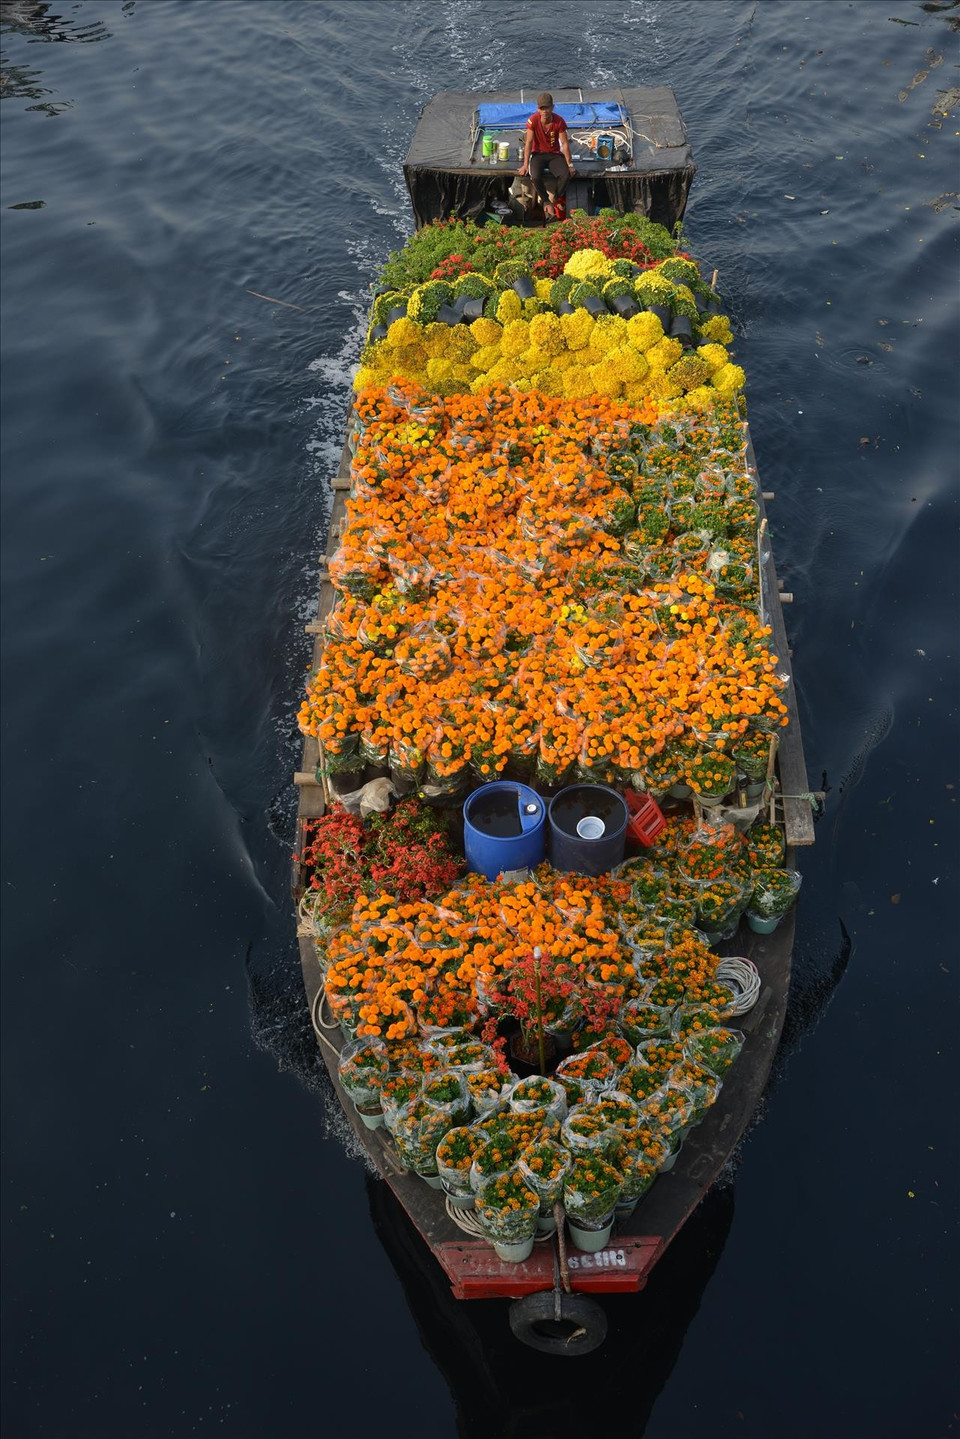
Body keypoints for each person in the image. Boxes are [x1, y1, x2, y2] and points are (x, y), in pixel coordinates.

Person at [517, 92, 575, 219]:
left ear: (552, 107)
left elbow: (565, 143)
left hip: (554, 154)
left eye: (547, 108)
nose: (545, 111)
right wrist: (525, 164)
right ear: (538, 109)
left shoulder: (559, 121)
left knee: (565, 175)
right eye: (542, 108)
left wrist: (570, 164)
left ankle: (555, 198)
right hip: (538, 154)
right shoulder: (533, 120)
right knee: (535, 176)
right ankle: (545, 200)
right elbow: (529, 142)